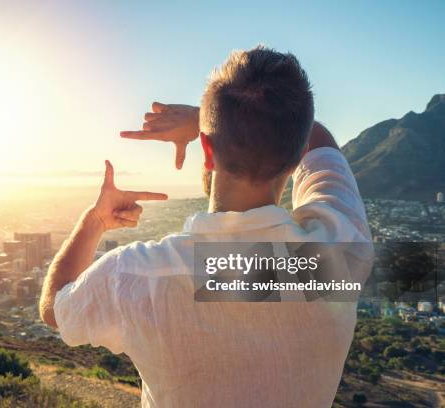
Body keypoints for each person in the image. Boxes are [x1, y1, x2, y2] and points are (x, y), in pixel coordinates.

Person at [39, 46, 372, 407]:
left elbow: (55, 308)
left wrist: (96, 220)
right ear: (295, 160)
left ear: (207, 150)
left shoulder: (142, 275)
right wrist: (206, 120)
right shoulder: (341, 251)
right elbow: (318, 139)